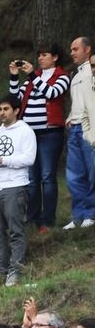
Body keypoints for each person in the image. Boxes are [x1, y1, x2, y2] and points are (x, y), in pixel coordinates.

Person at [8, 45, 70, 230]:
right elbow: (15, 100)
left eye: (44, 55)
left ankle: (47, 221)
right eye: (39, 56)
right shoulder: (30, 80)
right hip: (29, 136)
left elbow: (51, 93)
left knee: (47, 177)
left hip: (50, 133)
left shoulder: (62, 76)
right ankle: (33, 218)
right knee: (32, 180)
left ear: (55, 57)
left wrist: (32, 76)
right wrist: (13, 76)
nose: (40, 59)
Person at [0, 95, 37, 287]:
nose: (2, 113)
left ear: (16, 110)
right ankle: (0, 270)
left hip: (15, 186)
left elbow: (29, 159)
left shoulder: (25, 131)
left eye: (6, 109)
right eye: (0, 109)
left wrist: (3, 160)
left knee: (16, 230)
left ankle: (16, 269)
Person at [63, 37, 95, 229]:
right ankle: (78, 215)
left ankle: (91, 213)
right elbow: (78, 101)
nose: (72, 53)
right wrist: (69, 117)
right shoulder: (75, 76)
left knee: (92, 172)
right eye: (71, 50)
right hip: (74, 128)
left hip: (88, 128)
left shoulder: (92, 73)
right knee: (74, 174)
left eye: (76, 49)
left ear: (87, 49)